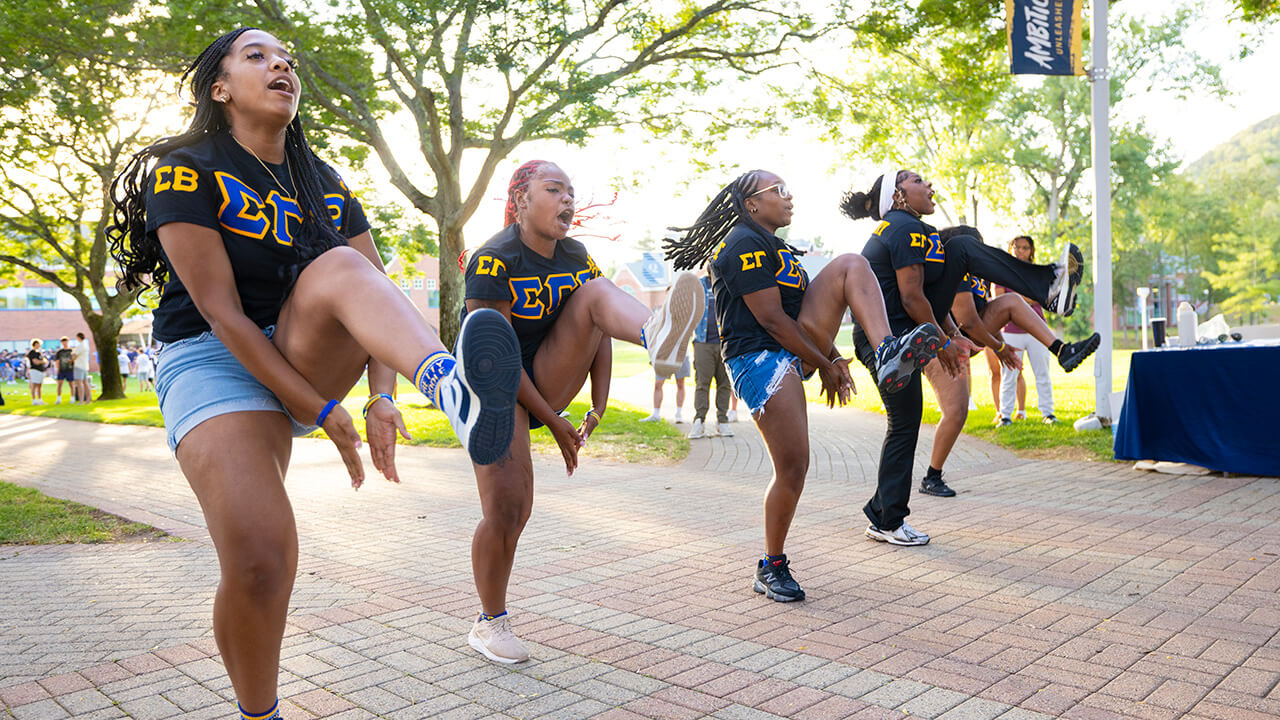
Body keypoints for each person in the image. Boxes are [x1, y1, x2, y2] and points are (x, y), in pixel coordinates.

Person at [106, 28, 522, 720]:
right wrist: (324, 412)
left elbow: (374, 293)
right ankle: (259, 712)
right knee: (261, 560)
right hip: (214, 357)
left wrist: (381, 399)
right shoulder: (186, 167)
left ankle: (454, 391)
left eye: (288, 61)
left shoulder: (324, 183)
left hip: (305, 346)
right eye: (258, 56)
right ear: (220, 86)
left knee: (342, 265)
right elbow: (223, 314)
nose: (281, 67)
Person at [462, 159, 703, 663]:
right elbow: (497, 359)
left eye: (571, 192)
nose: (567, 200)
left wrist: (596, 405)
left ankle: (656, 330)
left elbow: (598, 327)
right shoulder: (492, 258)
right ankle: (489, 623)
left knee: (595, 290)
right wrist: (553, 422)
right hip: (494, 390)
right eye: (555, 190)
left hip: (547, 373)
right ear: (522, 199)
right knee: (508, 510)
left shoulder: (575, 254)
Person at [667, 169, 942, 603]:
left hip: (792, 345)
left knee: (853, 263)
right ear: (752, 203)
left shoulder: (778, 247)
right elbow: (772, 320)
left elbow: (804, 317)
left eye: (788, 188)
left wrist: (832, 357)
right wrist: (826, 364)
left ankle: (888, 347)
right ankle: (771, 565)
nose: (788, 196)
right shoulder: (743, 242)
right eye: (777, 191)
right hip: (758, 357)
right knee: (794, 466)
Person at [839, 170, 1084, 546]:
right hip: (884, 340)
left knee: (963, 245)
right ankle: (888, 520)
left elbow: (929, 295)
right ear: (899, 195)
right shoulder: (902, 228)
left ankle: (1050, 286)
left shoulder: (916, 231)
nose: (930, 185)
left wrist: (949, 335)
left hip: (907, 333)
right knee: (904, 424)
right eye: (918, 181)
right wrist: (944, 341)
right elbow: (911, 298)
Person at [918, 226, 1100, 497]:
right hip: (943, 347)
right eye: (976, 247)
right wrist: (999, 347)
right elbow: (968, 319)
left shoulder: (975, 273)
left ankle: (1062, 349)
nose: (980, 252)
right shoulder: (954, 272)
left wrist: (998, 341)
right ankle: (931, 478)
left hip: (967, 338)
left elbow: (986, 313)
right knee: (956, 413)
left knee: (1011, 301)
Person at [994, 235, 1064, 425]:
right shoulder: (1001, 272)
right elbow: (998, 300)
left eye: (1025, 248)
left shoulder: (1036, 272)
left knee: (1043, 374)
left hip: (1036, 330)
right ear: (1010, 249)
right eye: (1017, 247)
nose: (1021, 251)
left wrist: (1013, 300)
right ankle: (1006, 416)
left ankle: (1048, 414)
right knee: (1009, 375)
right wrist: (1020, 299)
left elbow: (1039, 297)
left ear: (1031, 251)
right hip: (1010, 331)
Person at [689, 272, 733, 439]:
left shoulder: (728, 283)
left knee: (725, 383)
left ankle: (722, 421)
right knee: (702, 383)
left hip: (724, 343)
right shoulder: (698, 285)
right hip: (703, 342)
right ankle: (699, 421)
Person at [641, 348, 689, 423]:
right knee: (658, 384)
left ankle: (679, 414)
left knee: (680, 383)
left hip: (681, 354)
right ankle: (656, 414)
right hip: (664, 355)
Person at [52, 337, 75, 404]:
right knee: (59, 384)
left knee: (71, 384)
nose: (64, 343)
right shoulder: (59, 352)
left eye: (66, 341)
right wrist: (57, 369)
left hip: (70, 369)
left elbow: (74, 360)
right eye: (63, 342)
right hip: (61, 370)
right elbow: (57, 361)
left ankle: (72, 398)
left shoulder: (71, 351)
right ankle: (58, 399)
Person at [26, 339, 48, 405]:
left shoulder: (39, 353)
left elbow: (44, 360)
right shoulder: (32, 353)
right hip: (34, 370)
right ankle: (34, 400)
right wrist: (42, 361)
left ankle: (40, 400)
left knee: (39, 386)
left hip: (40, 370)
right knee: (34, 385)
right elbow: (36, 362)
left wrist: (42, 361)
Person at [73, 333, 92, 403]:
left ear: (78, 337)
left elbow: (74, 356)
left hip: (79, 366)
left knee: (79, 383)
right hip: (85, 366)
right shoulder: (86, 345)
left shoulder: (80, 345)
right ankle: (88, 400)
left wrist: (70, 359)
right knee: (85, 383)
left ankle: (81, 400)